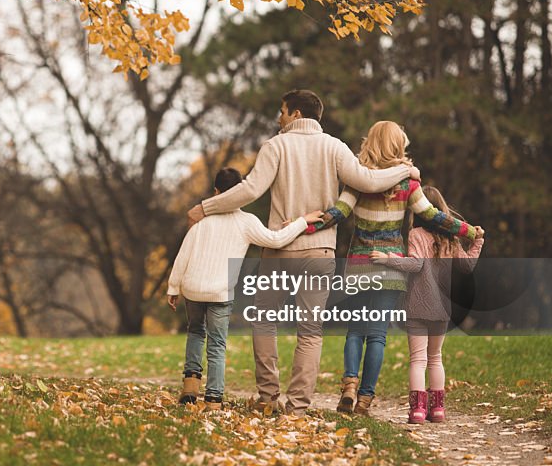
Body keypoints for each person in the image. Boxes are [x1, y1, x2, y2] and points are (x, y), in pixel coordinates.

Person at [187, 90, 419, 416]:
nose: (278, 118)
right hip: (320, 252)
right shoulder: (335, 147)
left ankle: (268, 397)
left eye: (282, 111)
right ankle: (298, 407)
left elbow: (250, 190)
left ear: (296, 113)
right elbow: (367, 180)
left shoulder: (275, 146)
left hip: (280, 250)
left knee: (264, 321)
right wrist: (405, 171)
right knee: (310, 331)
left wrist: (205, 207)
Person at [305, 121, 477, 417]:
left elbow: (338, 214)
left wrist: (304, 225)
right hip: (392, 269)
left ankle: (348, 385)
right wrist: (467, 231)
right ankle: (364, 400)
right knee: (377, 335)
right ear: (399, 146)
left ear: (370, 143)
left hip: (360, 264)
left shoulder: (357, 181)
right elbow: (434, 216)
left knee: (355, 332)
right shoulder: (409, 185)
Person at [169, 167, 323, 409]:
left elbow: (184, 253)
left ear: (216, 192)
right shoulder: (246, 222)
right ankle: (213, 400)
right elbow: (276, 240)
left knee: (196, 332)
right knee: (217, 344)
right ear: (240, 193)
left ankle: (190, 387)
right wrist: (301, 222)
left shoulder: (202, 220)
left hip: (193, 289)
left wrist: (173, 287)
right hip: (220, 292)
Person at [370, 185, 485, 423]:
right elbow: (467, 267)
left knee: (418, 360)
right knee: (436, 358)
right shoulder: (451, 239)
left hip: (417, 306)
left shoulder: (415, 235)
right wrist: (477, 243)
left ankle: (418, 410)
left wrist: (388, 259)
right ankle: (438, 409)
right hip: (443, 307)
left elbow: (416, 265)